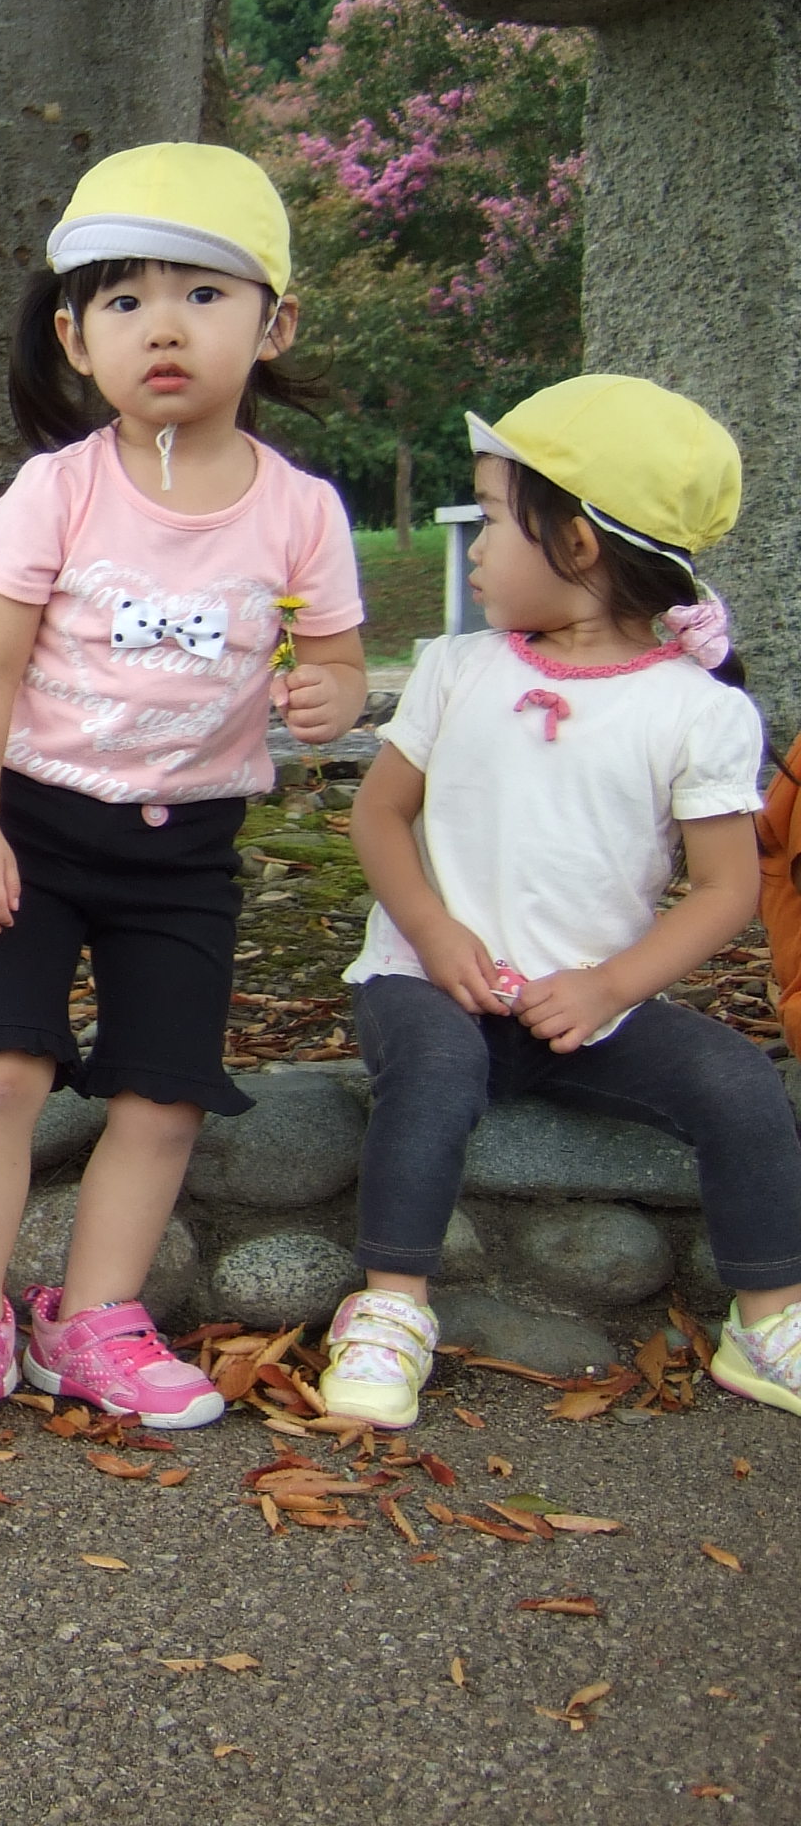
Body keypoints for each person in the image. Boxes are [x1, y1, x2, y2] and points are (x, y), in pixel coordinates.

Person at [0, 143, 369, 1443]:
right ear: (73, 335)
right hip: (33, 830)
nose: (165, 326)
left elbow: (335, 658)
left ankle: (93, 1319)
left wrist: (331, 695)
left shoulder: (302, 512)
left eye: (205, 295)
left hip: (187, 852)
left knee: (163, 1094)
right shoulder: (56, 490)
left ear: (274, 325)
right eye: (126, 299)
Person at [324, 377, 801, 1428]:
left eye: (495, 517)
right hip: (425, 985)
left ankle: (769, 1319)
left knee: (736, 1081)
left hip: (588, 1010)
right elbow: (380, 816)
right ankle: (392, 1305)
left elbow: (726, 889)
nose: (476, 544)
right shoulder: (459, 669)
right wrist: (432, 932)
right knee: (436, 1072)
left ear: (578, 543)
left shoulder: (697, 710)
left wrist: (608, 988)